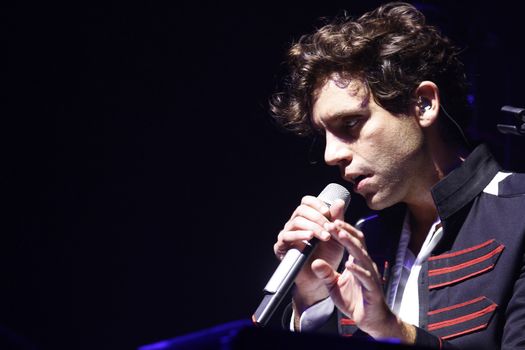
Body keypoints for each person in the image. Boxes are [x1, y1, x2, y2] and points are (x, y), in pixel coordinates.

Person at [270, 2, 525, 349]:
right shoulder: (363, 240)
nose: (331, 155)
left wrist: (394, 332)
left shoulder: (519, 215)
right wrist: (311, 297)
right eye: (324, 136)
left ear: (423, 104)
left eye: (351, 124)